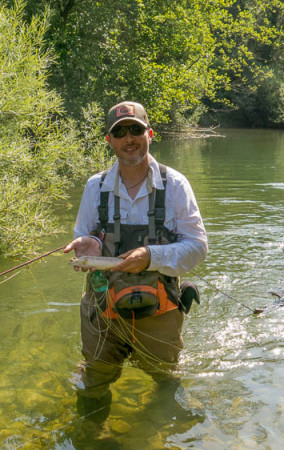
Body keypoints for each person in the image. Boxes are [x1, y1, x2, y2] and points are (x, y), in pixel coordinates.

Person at [63, 101, 208, 431]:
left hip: (159, 312)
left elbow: (198, 248)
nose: (129, 138)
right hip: (102, 310)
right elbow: (85, 237)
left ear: (149, 134)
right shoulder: (95, 187)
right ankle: (89, 437)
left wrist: (151, 256)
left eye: (136, 130)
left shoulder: (175, 185)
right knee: (94, 380)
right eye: (120, 132)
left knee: (165, 378)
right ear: (109, 140)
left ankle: (155, 432)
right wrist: (90, 243)